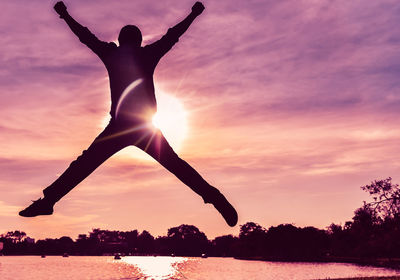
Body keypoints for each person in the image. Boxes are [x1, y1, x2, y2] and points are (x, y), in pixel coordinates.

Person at [19, 1, 238, 227]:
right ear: (138, 41)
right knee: (175, 166)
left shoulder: (114, 53)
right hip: (141, 126)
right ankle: (213, 196)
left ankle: (49, 201)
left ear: (121, 40)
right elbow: (173, 35)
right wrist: (193, 14)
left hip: (125, 126)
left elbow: (85, 36)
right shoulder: (145, 54)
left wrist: (65, 15)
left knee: (83, 165)